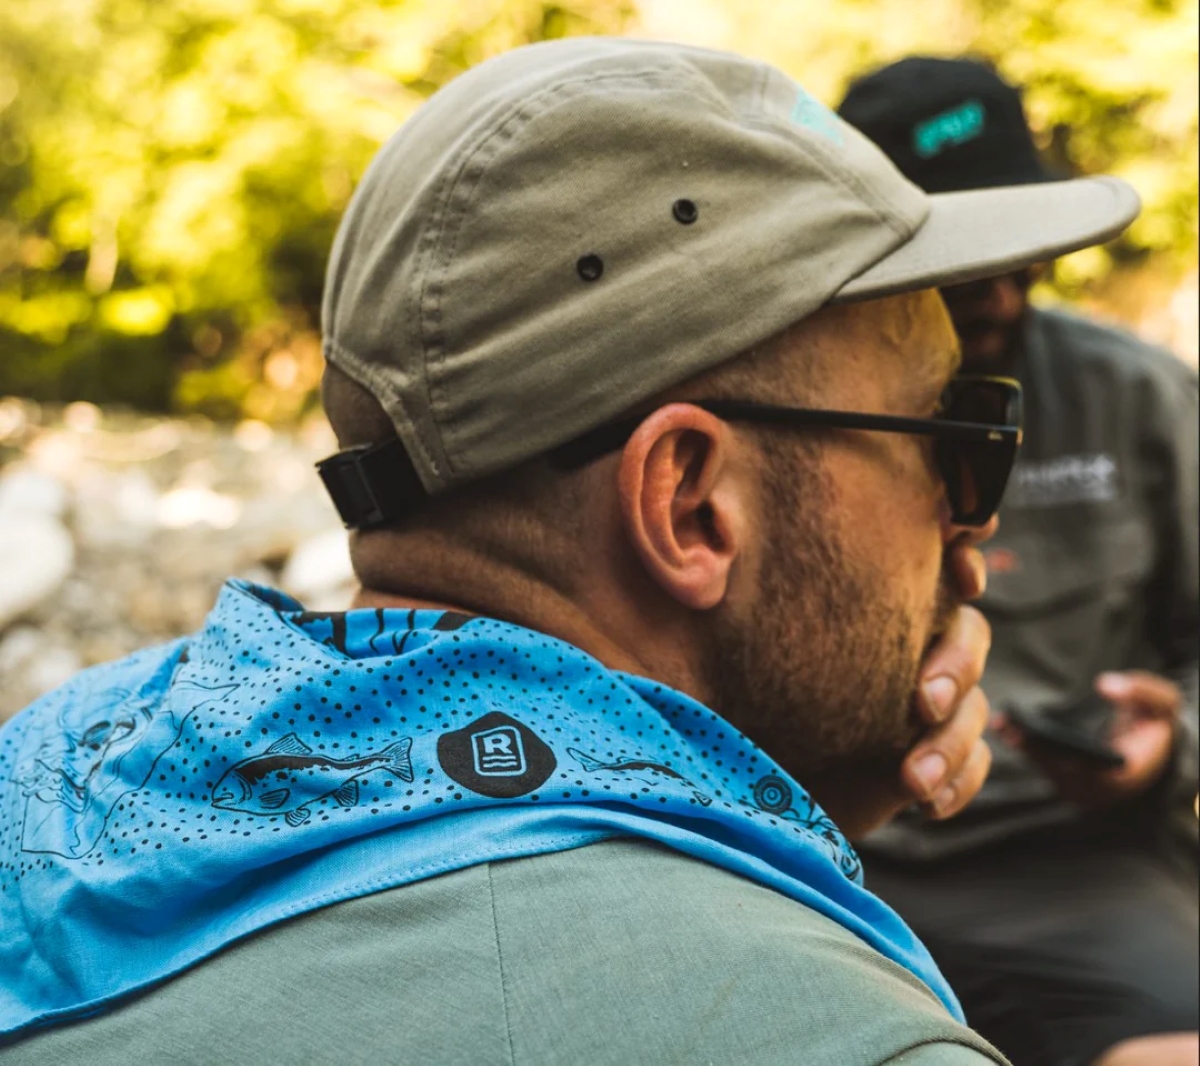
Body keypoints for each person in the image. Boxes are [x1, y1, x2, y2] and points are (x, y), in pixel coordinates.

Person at [0, 38, 1139, 1065]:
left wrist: (781, 810)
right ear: (690, 505)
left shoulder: (59, 765)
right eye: (957, 439)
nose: (972, 518)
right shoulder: (853, 1042)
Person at [838, 56, 1199, 1066]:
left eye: (1017, 244)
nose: (995, 285)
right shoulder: (783, 415)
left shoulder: (1143, 397)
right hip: (840, 864)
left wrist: (1172, 746)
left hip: (1082, 871)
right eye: (959, 251)